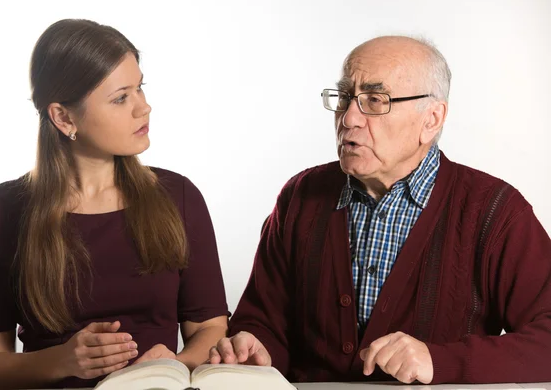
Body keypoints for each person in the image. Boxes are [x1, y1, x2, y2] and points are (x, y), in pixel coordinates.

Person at [208, 36, 551, 385]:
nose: (349, 118)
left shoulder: (494, 211)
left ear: (431, 119)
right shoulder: (301, 196)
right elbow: (263, 320)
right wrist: (257, 349)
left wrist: (439, 361)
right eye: (344, 98)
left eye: (375, 100)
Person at [0, 19, 229, 389]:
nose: (144, 108)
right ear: (64, 117)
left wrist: (174, 365)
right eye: (121, 98)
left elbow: (211, 327)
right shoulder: (2, 213)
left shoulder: (178, 196)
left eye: (140, 88)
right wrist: (62, 361)